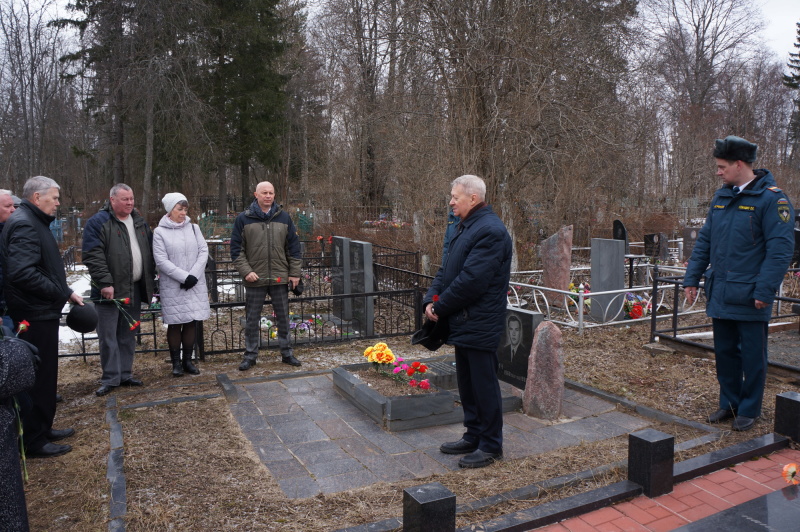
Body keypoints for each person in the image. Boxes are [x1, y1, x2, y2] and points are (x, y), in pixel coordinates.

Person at [684, 135, 794, 432]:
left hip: (750, 295)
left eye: (722, 167)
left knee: (752, 357)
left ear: (739, 164)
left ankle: (749, 409)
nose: (718, 172)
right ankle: (729, 403)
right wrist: (691, 278)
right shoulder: (722, 197)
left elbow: (780, 250)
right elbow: (705, 241)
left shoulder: (772, 200)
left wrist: (764, 290)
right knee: (725, 353)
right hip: (721, 291)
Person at [423, 174, 512, 468]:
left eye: (455, 197)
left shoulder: (490, 231)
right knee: (467, 383)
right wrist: (431, 298)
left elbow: (472, 281)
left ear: (473, 199)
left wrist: (442, 306)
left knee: (484, 385)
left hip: (479, 320)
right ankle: (473, 434)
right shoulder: (464, 227)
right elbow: (446, 268)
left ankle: (491, 445)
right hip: (463, 319)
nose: (450, 202)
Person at [0, 176, 83, 458]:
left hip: (41, 309)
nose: (58, 203)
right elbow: (22, 272)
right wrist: (58, 292)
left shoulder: (33, 220)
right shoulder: (24, 223)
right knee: (38, 376)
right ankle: (34, 440)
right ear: (37, 198)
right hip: (33, 313)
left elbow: (42, 267)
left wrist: (66, 291)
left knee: (46, 374)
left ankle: (43, 428)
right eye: (54, 197)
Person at [83, 184, 155, 396]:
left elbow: (150, 250)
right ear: (112, 200)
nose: (130, 203)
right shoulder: (98, 222)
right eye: (125, 199)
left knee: (127, 334)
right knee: (108, 335)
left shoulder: (139, 222)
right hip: (109, 291)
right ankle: (110, 378)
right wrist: (105, 283)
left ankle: (125, 373)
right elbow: (92, 254)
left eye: (132, 199)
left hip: (133, 287)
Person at [231, 181, 302, 370]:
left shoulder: (284, 218)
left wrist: (294, 273)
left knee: (283, 318)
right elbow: (236, 250)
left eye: (271, 192)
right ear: (256, 194)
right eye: (264, 193)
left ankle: (287, 353)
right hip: (255, 278)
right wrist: (247, 271)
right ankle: (250, 356)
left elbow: (294, 248)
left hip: (280, 278)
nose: (268, 196)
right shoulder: (243, 219)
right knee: (252, 319)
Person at [153, 193, 210, 377]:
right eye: (180, 209)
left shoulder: (194, 228)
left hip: (194, 283)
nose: (183, 213)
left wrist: (193, 275)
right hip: (174, 285)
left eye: (185, 209)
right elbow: (161, 261)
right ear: (170, 210)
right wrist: (183, 277)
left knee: (192, 322)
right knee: (176, 323)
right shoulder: (160, 232)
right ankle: (176, 363)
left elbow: (203, 251)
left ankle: (188, 360)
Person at [0, 189, 17, 329]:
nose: (13, 210)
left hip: (14, 307)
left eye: (13, 206)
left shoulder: (13, 232)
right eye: (7, 206)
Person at [498, 314, 532, 379]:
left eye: (516, 330)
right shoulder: (504, 350)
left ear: (520, 331)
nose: (513, 333)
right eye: (511, 329)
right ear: (508, 331)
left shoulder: (525, 353)